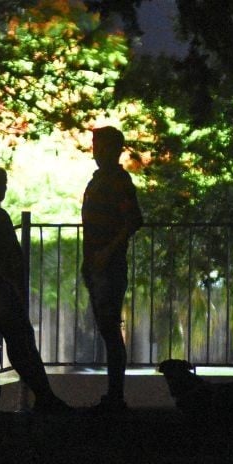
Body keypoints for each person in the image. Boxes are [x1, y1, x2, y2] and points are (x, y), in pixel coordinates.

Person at [0, 166, 71, 413]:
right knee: (20, 336)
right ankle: (44, 395)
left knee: (21, 337)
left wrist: (15, 281)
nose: (3, 189)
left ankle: (44, 395)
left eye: (4, 183)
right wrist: (13, 281)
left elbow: (9, 255)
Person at [82, 126, 143, 412]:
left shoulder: (117, 181)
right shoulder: (102, 180)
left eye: (99, 145)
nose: (95, 150)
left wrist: (107, 252)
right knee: (108, 329)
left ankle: (115, 397)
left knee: (110, 329)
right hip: (98, 263)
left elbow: (133, 220)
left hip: (107, 265)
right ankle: (114, 395)